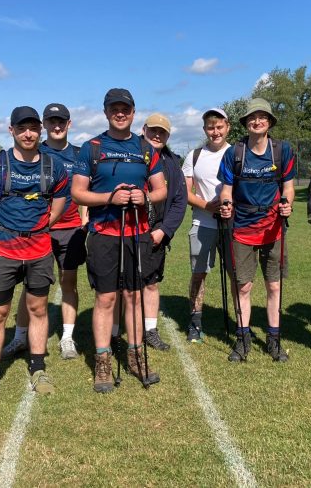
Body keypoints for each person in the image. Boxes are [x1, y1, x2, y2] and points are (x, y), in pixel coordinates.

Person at [70, 88, 167, 393]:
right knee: (105, 298)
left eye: (125, 108)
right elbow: (77, 192)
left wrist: (144, 196)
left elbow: (161, 190)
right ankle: (102, 361)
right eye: (115, 108)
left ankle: (137, 356)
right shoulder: (92, 148)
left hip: (137, 235)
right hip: (104, 235)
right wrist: (109, 198)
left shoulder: (146, 148)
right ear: (106, 112)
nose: (120, 113)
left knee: (134, 297)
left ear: (133, 112)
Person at [0, 106, 69, 405]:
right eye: (22, 128)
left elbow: (59, 203)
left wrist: (38, 230)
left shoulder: (55, 167)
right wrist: (0, 234)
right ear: (11, 130)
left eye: (33, 128)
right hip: (3, 252)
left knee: (38, 309)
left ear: (40, 130)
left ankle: (38, 369)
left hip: (39, 252)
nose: (29, 133)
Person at [1, 103, 87, 361]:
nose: (57, 126)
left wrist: (84, 218)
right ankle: (19, 337)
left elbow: (84, 188)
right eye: (51, 121)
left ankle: (68, 338)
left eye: (61, 121)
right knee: (31, 286)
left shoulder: (80, 154)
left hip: (71, 229)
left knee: (69, 282)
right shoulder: (36, 151)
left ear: (69, 124)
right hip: (38, 230)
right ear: (44, 126)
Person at [218, 98, 295, 363]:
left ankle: (274, 340)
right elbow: (226, 189)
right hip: (242, 227)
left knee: (274, 286)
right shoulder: (234, 153)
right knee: (244, 287)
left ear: (270, 122)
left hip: (273, 228)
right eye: (252, 117)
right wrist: (225, 204)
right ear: (246, 123)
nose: (257, 121)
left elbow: (288, 186)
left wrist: (288, 204)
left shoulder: (282, 150)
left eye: (262, 117)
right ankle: (243, 339)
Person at [181, 108, 234, 342]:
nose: (215, 132)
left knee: (238, 276)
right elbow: (185, 192)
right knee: (198, 274)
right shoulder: (194, 156)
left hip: (233, 225)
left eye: (219, 126)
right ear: (205, 130)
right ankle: (195, 322)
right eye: (211, 127)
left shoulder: (238, 153)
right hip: (202, 223)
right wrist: (206, 205)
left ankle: (240, 323)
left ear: (227, 127)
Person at [136, 113, 187, 350]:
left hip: (155, 232)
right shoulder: (129, 153)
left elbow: (179, 201)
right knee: (121, 286)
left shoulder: (172, 163)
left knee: (151, 283)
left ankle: (150, 330)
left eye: (162, 132)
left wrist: (164, 231)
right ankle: (116, 332)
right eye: (153, 130)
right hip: (126, 230)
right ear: (144, 129)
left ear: (167, 135)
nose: (157, 135)